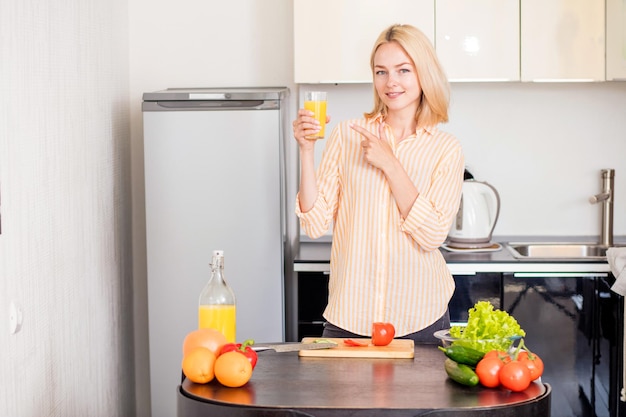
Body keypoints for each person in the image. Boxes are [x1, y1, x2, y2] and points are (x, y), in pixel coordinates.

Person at [292, 24, 465, 343]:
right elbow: (314, 224)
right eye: (381, 71)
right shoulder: (348, 135)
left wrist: (390, 163)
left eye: (403, 70)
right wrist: (306, 150)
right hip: (350, 318)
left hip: (421, 319)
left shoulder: (446, 149)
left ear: (423, 73)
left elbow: (432, 235)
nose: (391, 82)